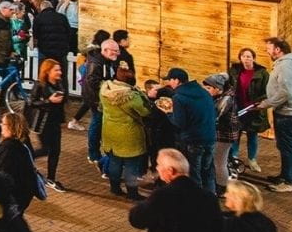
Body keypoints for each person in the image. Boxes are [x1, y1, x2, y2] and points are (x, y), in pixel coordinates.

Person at [258, 36, 292, 193]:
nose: (267, 51)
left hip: (289, 113)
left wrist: (266, 104)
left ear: (278, 50)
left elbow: (285, 92)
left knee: (288, 147)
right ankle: (285, 175)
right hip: (287, 111)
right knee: (286, 146)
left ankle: (289, 181)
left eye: (269, 48)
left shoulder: (286, 66)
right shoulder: (288, 64)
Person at [161, 67, 217, 195]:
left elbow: (180, 123)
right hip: (210, 137)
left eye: (170, 80)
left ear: (177, 80)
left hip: (193, 140)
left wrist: (169, 113)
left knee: (194, 174)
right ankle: (211, 199)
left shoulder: (179, 97)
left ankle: (196, 203)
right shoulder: (204, 92)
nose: (169, 83)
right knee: (208, 171)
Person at [101, 62, 150, 199]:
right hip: (129, 134)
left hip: (110, 132)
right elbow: (144, 111)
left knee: (115, 162)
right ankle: (132, 193)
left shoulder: (105, 89)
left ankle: (115, 188)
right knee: (131, 165)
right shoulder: (131, 96)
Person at [0, 112, 38, 214]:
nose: (0, 125)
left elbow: (2, 178)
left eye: (3, 123)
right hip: (16, 200)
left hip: (5, 202)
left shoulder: (8, 150)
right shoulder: (22, 145)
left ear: (11, 127)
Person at [79, 38, 121, 164]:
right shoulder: (97, 63)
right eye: (114, 51)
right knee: (96, 125)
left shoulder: (105, 61)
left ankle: (96, 153)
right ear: (105, 50)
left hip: (100, 98)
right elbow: (93, 80)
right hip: (96, 99)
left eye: (117, 51)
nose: (117, 53)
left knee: (98, 124)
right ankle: (94, 154)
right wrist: (109, 87)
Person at [30, 58, 68, 191]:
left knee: (56, 151)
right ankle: (26, 157)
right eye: (56, 70)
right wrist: (48, 101)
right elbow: (31, 102)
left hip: (55, 121)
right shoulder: (40, 85)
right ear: (47, 71)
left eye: (60, 70)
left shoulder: (59, 83)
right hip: (44, 123)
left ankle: (51, 178)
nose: (60, 72)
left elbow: (64, 100)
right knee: (46, 149)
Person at [202, 73, 240, 196]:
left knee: (219, 162)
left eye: (209, 88)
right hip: (222, 132)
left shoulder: (226, 99)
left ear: (218, 88)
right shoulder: (222, 96)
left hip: (224, 134)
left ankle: (223, 187)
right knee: (219, 161)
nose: (206, 91)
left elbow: (216, 115)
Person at [31, 0, 75, 66]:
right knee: (60, 72)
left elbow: (35, 35)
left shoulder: (38, 18)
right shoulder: (62, 17)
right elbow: (69, 33)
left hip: (44, 51)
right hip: (61, 51)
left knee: (45, 72)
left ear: (42, 8)